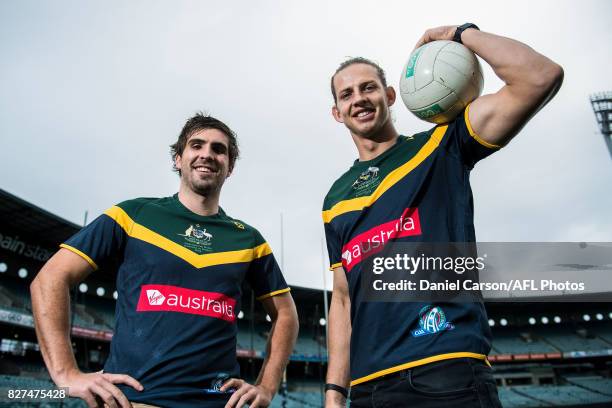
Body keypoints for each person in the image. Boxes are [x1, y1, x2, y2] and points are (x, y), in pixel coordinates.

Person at [323, 24, 563, 407]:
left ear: (389, 95)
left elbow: (540, 76)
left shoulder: (441, 144)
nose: (359, 99)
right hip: (369, 389)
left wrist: (460, 33)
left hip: (446, 371)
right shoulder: (335, 199)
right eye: (347, 94)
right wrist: (335, 392)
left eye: (368, 88)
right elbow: (342, 298)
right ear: (337, 112)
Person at [30, 113, 299, 408]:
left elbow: (286, 314)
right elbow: (50, 278)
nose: (207, 154)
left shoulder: (249, 239)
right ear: (178, 158)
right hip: (134, 400)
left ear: (229, 167)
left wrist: (266, 387)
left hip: (217, 403)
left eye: (218, 149)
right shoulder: (132, 215)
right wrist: (66, 373)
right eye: (197, 145)